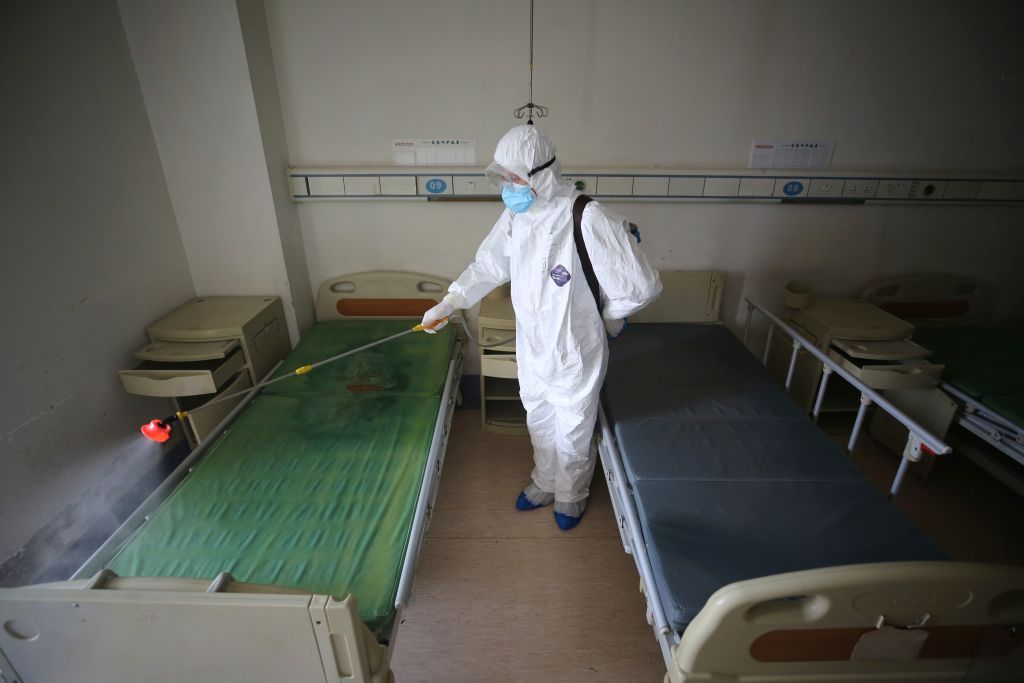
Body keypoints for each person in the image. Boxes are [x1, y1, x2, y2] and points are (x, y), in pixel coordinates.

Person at [420, 124, 661, 530]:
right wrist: (451, 300)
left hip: (575, 345)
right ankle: (545, 481)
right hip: (533, 343)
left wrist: (610, 316)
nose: (508, 186)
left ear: (541, 173)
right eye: (505, 177)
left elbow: (641, 285)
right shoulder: (517, 215)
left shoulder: (586, 215)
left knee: (573, 424)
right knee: (538, 415)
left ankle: (571, 494)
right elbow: (489, 264)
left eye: (515, 177)